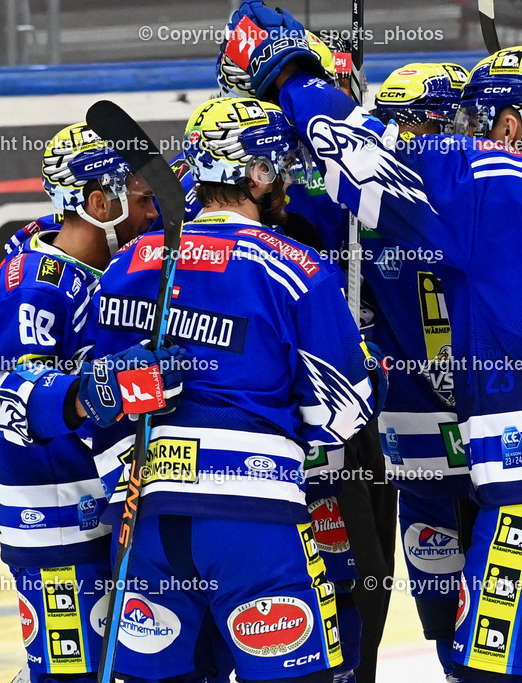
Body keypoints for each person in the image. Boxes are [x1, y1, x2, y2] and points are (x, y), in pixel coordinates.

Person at [223, 6, 522, 681]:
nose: (466, 136)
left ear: (509, 127)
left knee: (489, 673)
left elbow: (360, 154)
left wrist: (292, 68)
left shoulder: (486, 182)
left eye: (478, 124)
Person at [86, 95, 387, 683]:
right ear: (256, 172)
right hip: (256, 523)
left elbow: (105, 401)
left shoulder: (131, 263)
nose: (287, 184)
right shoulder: (293, 265)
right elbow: (343, 412)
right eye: (281, 168)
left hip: (147, 521)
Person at [0, 121, 168, 683]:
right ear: (98, 201)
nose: (153, 207)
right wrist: (97, 392)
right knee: (75, 677)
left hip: (103, 509)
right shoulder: (33, 286)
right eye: (138, 195)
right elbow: (10, 400)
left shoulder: (95, 268)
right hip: (57, 524)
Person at [367, 62, 476, 682]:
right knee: (466, 617)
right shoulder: (484, 197)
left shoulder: (362, 202)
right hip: (468, 437)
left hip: (428, 438)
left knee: (462, 615)